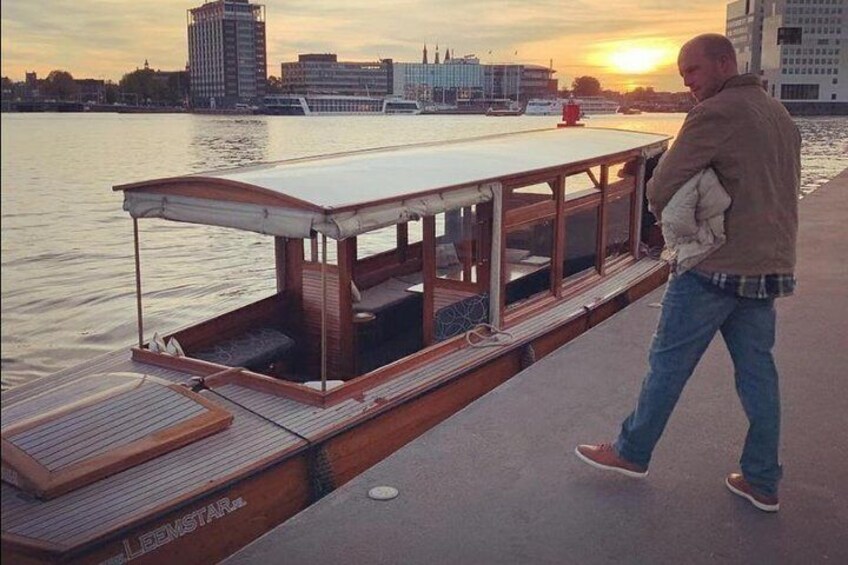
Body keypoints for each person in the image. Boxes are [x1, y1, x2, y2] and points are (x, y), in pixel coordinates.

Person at [574, 33, 801, 513]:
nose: (690, 84)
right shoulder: (778, 114)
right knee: (758, 373)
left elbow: (662, 185)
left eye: (693, 72)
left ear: (723, 63)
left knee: (668, 363)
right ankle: (762, 480)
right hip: (767, 267)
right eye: (683, 77)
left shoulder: (715, 113)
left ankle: (632, 453)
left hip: (713, 266)